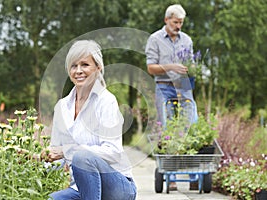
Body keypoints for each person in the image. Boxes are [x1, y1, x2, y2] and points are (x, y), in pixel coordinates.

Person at [43, 40, 137, 200]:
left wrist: (68, 151)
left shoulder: (106, 101)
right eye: (73, 66)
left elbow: (113, 152)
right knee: (50, 199)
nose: (78, 71)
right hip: (82, 188)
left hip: (118, 187)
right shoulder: (62, 107)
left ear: (98, 68)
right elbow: (56, 154)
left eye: (85, 65)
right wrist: (39, 158)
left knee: (81, 157)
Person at [145, 4, 198, 190]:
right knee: (167, 130)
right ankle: (172, 177)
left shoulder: (187, 40)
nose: (179, 26)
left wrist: (192, 70)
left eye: (181, 23)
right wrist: (170, 67)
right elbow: (151, 68)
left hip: (184, 87)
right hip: (164, 87)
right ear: (166, 20)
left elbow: (190, 63)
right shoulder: (155, 39)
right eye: (176, 22)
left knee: (191, 126)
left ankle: (194, 176)